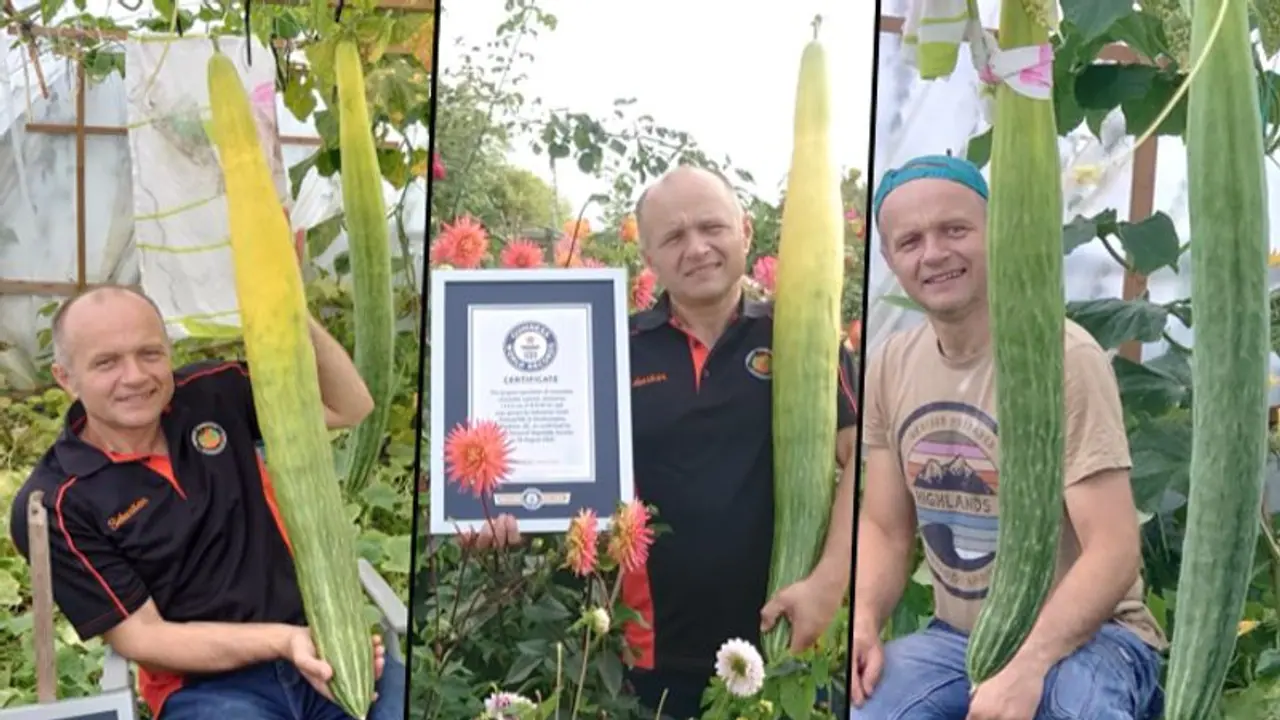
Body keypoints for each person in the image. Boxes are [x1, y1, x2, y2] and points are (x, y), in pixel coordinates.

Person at [468, 165, 861, 719]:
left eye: (712, 227)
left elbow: (865, 459)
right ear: (649, 258)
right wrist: (492, 507)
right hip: (649, 657)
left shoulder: (801, 334)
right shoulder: (610, 346)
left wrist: (828, 582)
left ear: (745, 231)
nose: (697, 248)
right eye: (673, 237)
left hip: (785, 637)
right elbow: (547, 453)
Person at [852, 154, 1166, 720]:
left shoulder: (1064, 358)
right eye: (911, 240)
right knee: (868, 709)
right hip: (960, 639)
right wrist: (866, 618)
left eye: (955, 229)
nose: (935, 253)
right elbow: (883, 527)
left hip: (1096, 638)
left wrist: (1027, 666)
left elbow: (1114, 551)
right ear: (889, 258)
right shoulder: (890, 365)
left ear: (994, 231)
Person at [8, 285, 405, 720]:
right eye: (106, 362)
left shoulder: (213, 394)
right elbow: (144, 639)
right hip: (208, 692)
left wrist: (291, 304)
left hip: (323, 647)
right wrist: (285, 642)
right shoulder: (56, 502)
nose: (136, 376)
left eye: (150, 353)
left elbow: (350, 406)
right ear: (66, 378)